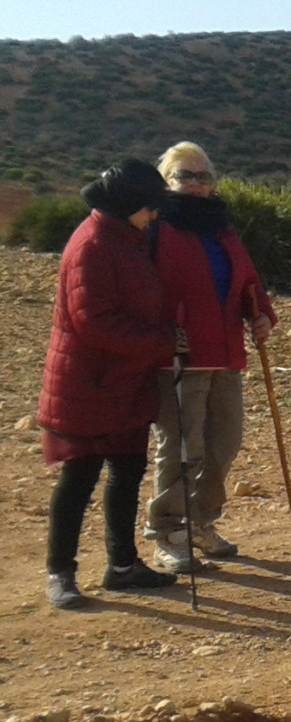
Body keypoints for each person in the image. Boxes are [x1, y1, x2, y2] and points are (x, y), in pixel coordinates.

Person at [40, 160, 181, 608]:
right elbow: (93, 322)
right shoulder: (93, 245)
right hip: (89, 380)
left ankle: (123, 566)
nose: (154, 216)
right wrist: (162, 344)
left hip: (123, 377)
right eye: (149, 208)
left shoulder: (124, 237)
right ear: (127, 206)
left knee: (127, 469)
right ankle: (59, 573)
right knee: (78, 477)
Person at [145, 142, 277, 574]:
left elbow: (248, 280)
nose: (197, 184)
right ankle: (168, 532)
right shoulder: (155, 227)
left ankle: (201, 522)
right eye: (187, 175)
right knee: (183, 448)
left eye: (204, 176)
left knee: (224, 443)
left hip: (225, 354)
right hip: (179, 355)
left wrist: (260, 314)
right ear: (166, 179)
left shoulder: (222, 227)